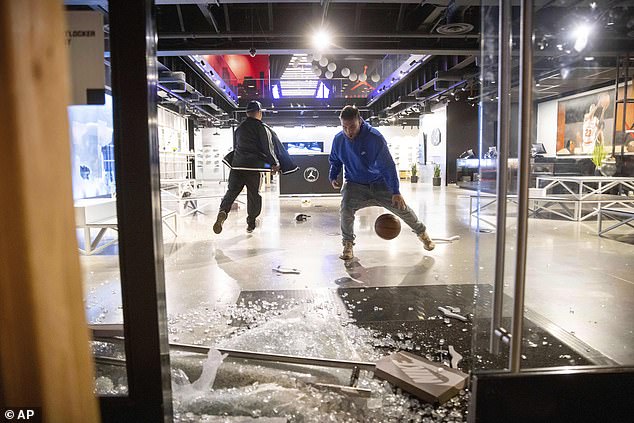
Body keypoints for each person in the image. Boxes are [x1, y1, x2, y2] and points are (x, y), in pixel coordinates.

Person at [329, 105, 435, 260]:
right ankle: (348, 244)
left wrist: (395, 191)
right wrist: (333, 176)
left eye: (352, 126)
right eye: (344, 127)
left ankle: (423, 234)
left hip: (379, 183)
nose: (348, 131)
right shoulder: (339, 140)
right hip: (354, 184)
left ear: (360, 121)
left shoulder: (374, 138)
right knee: (345, 209)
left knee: (403, 208)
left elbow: (388, 166)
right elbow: (335, 161)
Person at [213, 100, 297, 234]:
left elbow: (236, 147)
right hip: (252, 168)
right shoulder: (262, 127)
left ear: (247, 113)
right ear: (259, 112)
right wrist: (275, 163)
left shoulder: (239, 128)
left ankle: (223, 211)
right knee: (253, 195)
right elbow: (268, 147)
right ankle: (251, 222)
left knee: (231, 192)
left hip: (237, 166)